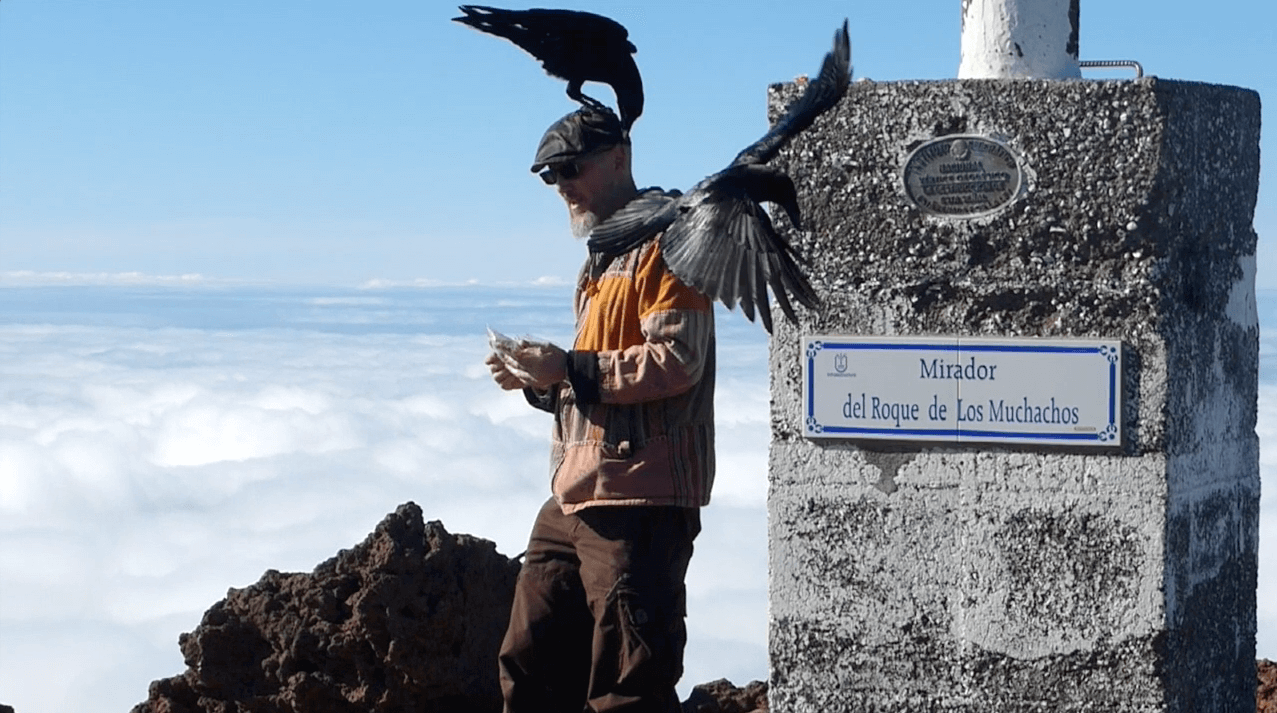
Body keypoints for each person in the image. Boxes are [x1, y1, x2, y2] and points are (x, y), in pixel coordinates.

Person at [484, 106, 716, 713]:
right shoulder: (604, 256)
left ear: (619, 157)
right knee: (529, 661)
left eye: (570, 168)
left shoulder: (669, 241)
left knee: (627, 684)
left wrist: (569, 368)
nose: (560, 184)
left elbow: (677, 360)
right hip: (575, 492)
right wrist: (540, 383)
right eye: (548, 175)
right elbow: (595, 381)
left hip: (641, 500)